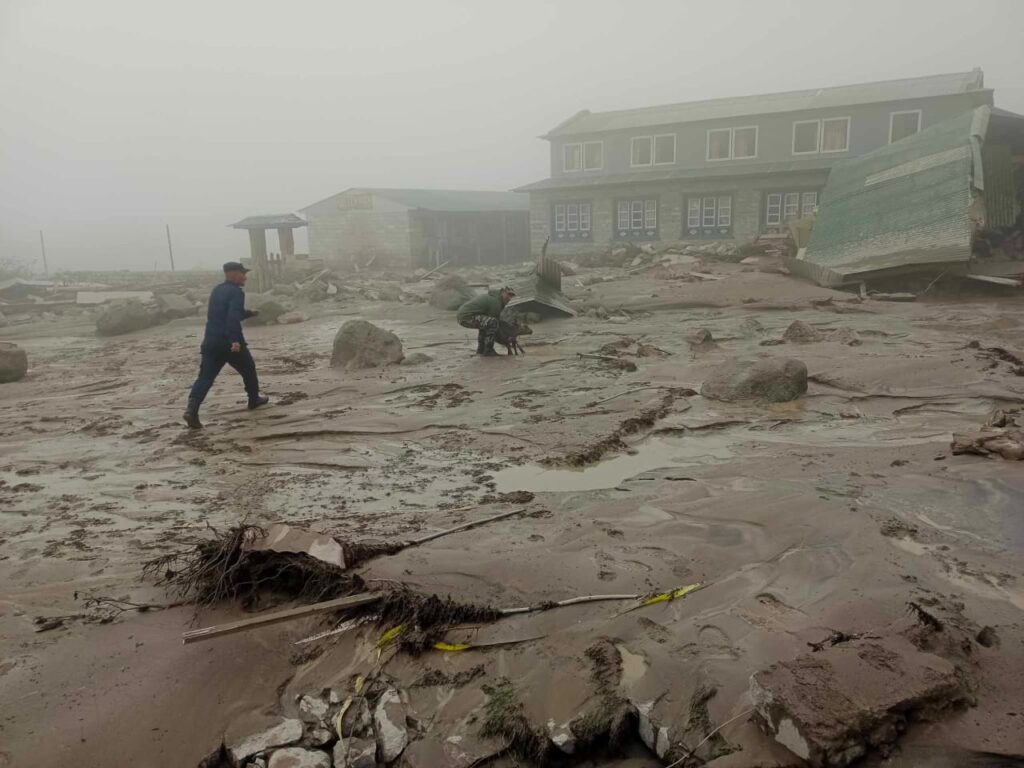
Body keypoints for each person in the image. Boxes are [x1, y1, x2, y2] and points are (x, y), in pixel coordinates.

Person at [182, 261, 268, 429]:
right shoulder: (236, 293)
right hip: (229, 342)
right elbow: (232, 318)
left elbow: (221, 315)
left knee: (205, 377)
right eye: (243, 273)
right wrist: (235, 340)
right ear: (234, 274)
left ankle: (191, 410)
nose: (245, 277)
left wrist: (248, 313)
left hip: (211, 341)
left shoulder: (217, 290)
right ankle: (253, 399)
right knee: (248, 368)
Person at [456, 286, 516, 357]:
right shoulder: (496, 302)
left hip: (463, 316)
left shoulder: (495, 298)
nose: (509, 298)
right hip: (466, 317)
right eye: (508, 295)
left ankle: (481, 350)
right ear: (502, 292)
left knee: (486, 324)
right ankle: (488, 350)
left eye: (511, 296)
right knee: (492, 323)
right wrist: (505, 338)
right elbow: (495, 324)